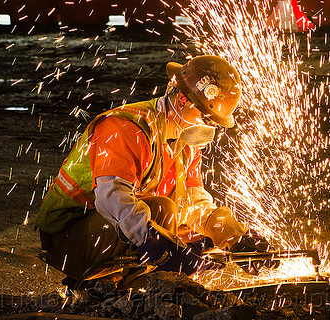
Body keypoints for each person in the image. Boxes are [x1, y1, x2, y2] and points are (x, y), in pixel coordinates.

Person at [35, 55, 270, 284]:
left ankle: (144, 280)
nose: (209, 130)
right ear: (182, 101)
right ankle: (131, 287)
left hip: (108, 231)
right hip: (69, 239)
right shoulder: (127, 128)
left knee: (180, 225)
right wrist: (159, 244)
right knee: (163, 211)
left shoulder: (185, 143)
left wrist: (232, 236)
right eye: (206, 119)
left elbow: (193, 203)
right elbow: (111, 199)